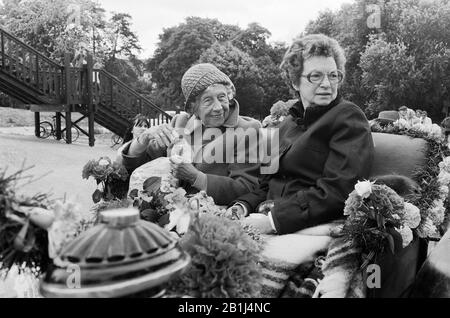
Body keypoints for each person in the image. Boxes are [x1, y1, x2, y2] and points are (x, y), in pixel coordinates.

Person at [227, 34, 375, 235]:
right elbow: (265, 185)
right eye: (316, 76)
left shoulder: (349, 117)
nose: (326, 84)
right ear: (295, 82)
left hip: (312, 226)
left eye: (333, 75)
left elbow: (338, 191)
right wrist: (242, 206)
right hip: (269, 217)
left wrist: (271, 222)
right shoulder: (284, 124)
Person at [120, 63, 261, 205]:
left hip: (211, 218)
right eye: (208, 100)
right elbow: (136, 163)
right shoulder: (181, 122)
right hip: (169, 213)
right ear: (194, 107)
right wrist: (144, 138)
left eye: (222, 97)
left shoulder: (247, 130)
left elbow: (247, 188)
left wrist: (195, 177)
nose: (218, 107)